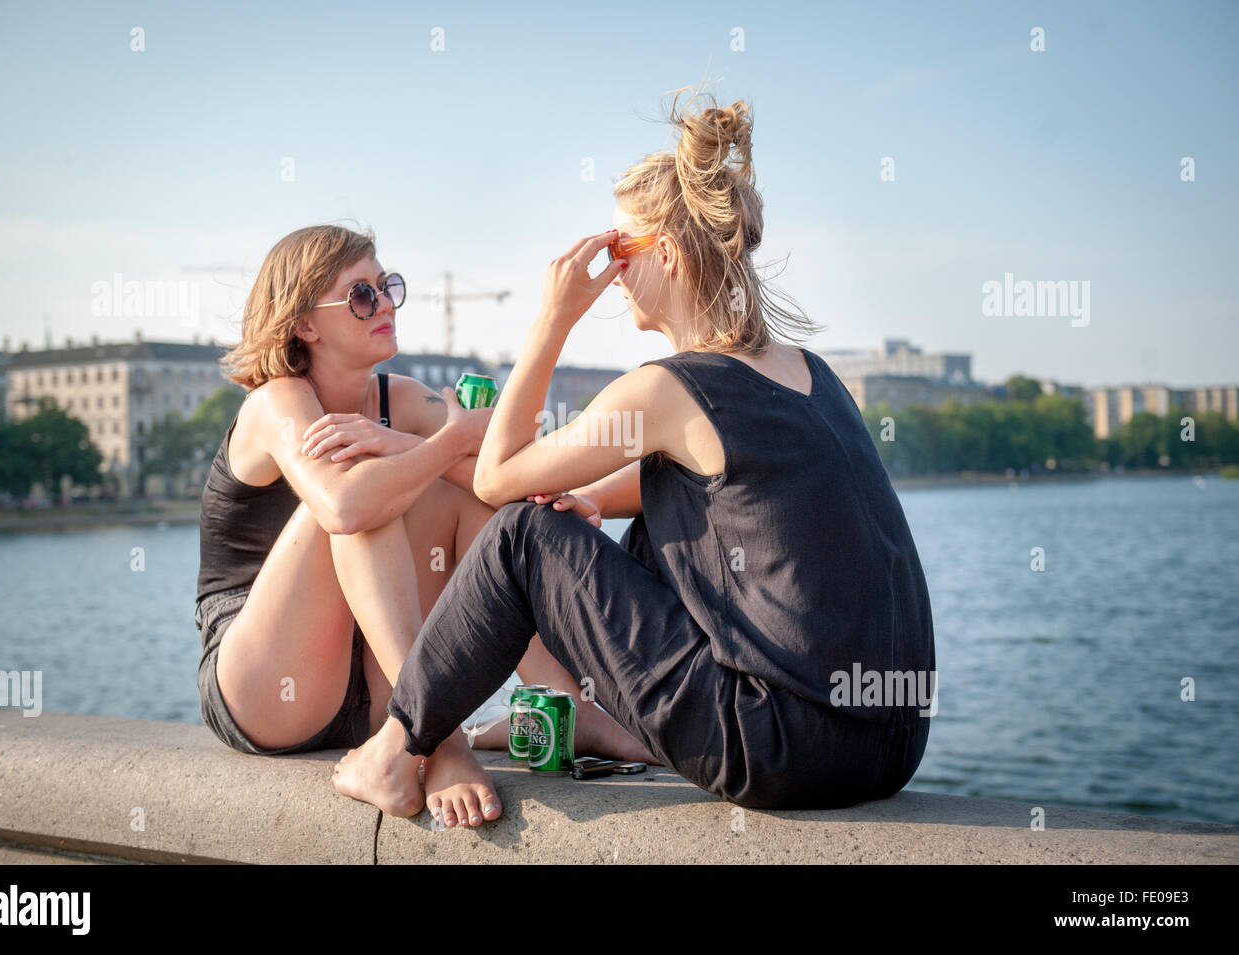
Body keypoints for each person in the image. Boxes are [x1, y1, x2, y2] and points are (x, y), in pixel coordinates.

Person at [332, 91, 936, 827]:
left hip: (782, 748)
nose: (612, 272)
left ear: (670, 256)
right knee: (636, 518)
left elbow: (496, 476)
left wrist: (552, 320)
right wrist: (592, 501)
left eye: (621, 250)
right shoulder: (808, 370)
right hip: (892, 742)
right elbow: (715, 490)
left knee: (522, 538)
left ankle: (395, 747)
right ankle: (587, 721)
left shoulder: (665, 389)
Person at [194, 224, 652, 818]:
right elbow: (344, 507)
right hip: (268, 686)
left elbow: (497, 468)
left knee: (477, 505)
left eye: (388, 286)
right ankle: (439, 741)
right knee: (365, 486)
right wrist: (443, 441)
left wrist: (561, 493)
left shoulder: (401, 400)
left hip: (373, 689)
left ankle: (573, 706)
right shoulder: (275, 401)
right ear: (305, 324)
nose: (384, 303)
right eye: (361, 295)